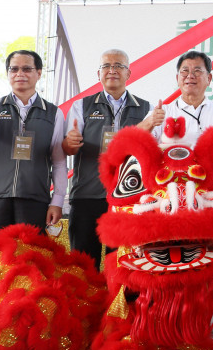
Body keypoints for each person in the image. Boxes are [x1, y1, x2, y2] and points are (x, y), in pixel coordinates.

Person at [62, 49, 153, 269]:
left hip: (128, 201)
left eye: (118, 66)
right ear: (98, 73)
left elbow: (151, 154)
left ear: (129, 73)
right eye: (106, 66)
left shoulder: (145, 108)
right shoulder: (81, 106)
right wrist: (70, 142)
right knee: (83, 267)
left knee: (122, 266)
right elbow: (66, 149)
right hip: (87, 196)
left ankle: (119, 305)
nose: (112, 70)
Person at [0, 50, 67, 235]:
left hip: (35, 197)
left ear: (38, 73)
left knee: (31, 258)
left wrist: (57, 201)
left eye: (26, 69)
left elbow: (59, 161)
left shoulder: (53, 113)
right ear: (8, 73)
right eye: (14, 69)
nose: (20, 74)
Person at [148, 51, 213, 146]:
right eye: (185, 71)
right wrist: (150, 122)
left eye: (197, 71)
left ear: (209, 78)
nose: (190, 76)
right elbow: (137, 141)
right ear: (177, 78)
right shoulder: (162, 112)